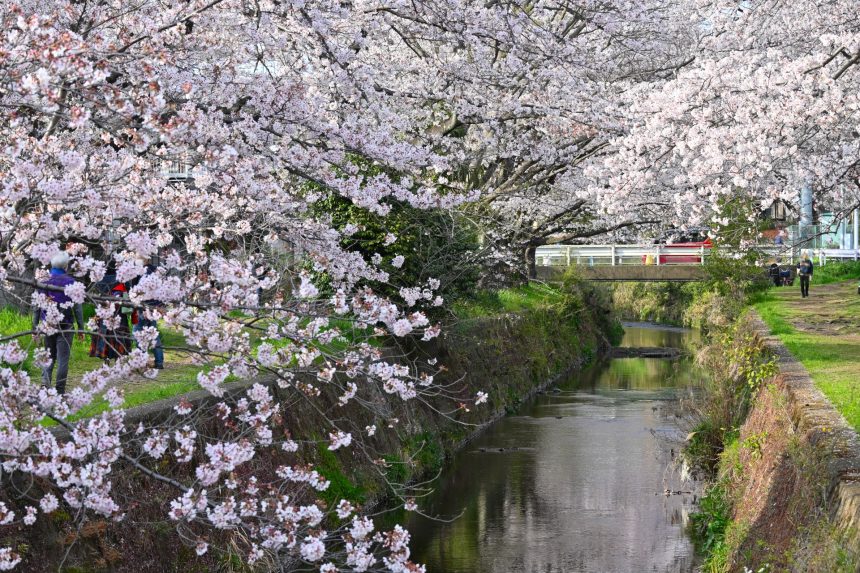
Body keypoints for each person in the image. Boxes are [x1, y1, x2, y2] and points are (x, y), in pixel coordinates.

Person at [32, 252, 85, 394]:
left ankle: (45, 384)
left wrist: (34, 328)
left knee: (48, 356)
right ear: (66, 266)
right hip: (66, 326)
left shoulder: (43, 281)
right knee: (63, 359)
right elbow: (78, 308)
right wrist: (81, 328)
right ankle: (60, 390)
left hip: (47, 325)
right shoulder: (71, 282)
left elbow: (36, 307)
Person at [132, 259, 164, 369]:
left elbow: (140, 291)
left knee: (138, 334)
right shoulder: (156, 271)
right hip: (154, 307)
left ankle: (142, 361)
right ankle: (159, 362)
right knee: (154, 335)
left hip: (144, 306)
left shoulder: (144, 272)